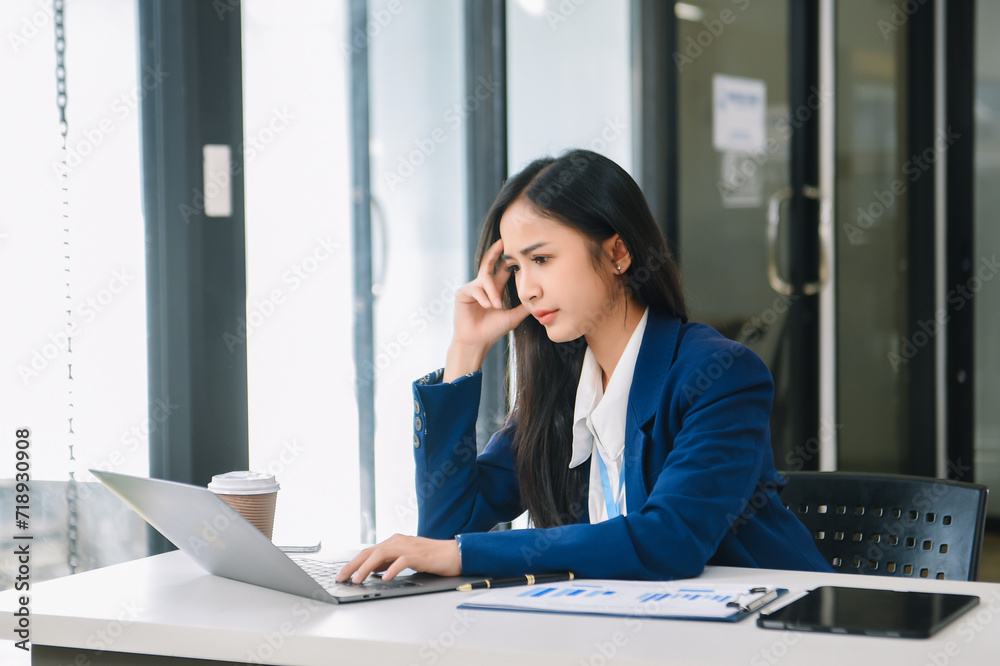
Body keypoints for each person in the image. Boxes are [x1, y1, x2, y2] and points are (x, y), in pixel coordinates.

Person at [336, 149, 831, 584]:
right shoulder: (563, 388)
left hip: (769, 636)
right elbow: (446, 526)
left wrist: (465, 555)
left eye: (543, 259)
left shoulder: (720, 375)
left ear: (617, 252)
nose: (526, 288)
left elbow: (669, 540)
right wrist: (465, 351)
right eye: (515, 267)